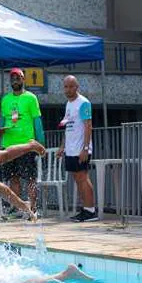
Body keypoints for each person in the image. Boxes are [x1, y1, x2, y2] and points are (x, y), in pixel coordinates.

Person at [0, 68, 45, 218]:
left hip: (26, 145)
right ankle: (16, 208)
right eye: (12, 78)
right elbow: (3, 120)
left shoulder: (31, 98)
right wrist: (0, 132)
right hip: (9, 145)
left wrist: (40, 143)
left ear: (24, 80)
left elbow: (37, 121)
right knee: (13, 178)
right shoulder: (5, 99)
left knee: (30, 178)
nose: (15, 81)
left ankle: (33, 209)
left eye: (18, 78)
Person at [57, 76, 98, 222]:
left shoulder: (84, 103)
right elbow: (67, 126)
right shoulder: (68, 104)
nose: (68, 89)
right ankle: (84, 209)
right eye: (65, 87)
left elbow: (88, 126)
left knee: (83, 177)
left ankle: (91, 211)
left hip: (81, 148)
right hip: (71, 149)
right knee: (77, 178)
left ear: (77, 87)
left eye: (71, 86)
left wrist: (85, 148)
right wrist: (62, 147)